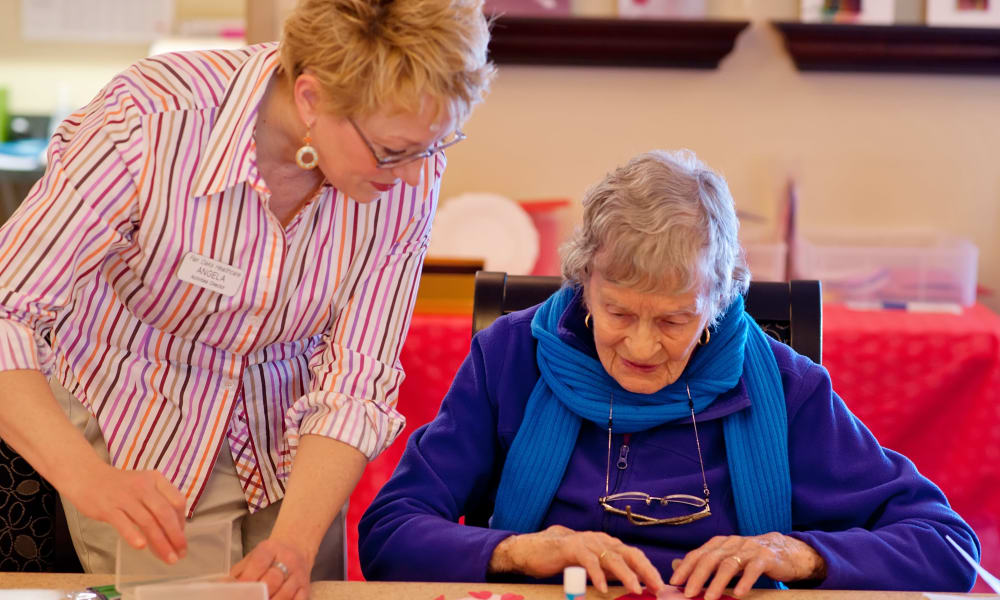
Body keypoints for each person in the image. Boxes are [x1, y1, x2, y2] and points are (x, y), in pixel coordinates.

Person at [0, 0, 493, 597]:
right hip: (137, 420)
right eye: (393, 151)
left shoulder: (408, 157)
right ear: (310, 98)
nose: (417, 176)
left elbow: (356, 374)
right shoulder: (148, 121)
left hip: (292, 444)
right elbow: (8, 312)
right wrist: (90, 480)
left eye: (435, 146)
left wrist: (297, 541)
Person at [358, 150, 980, 598]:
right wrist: (523, 550)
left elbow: (946, 546)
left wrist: (797, 553)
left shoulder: (786, 387)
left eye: (676, 320)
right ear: (583, 281)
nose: (642, 346)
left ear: (718, 299)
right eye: (618, 312)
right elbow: (389, 534)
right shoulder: (511, 359)